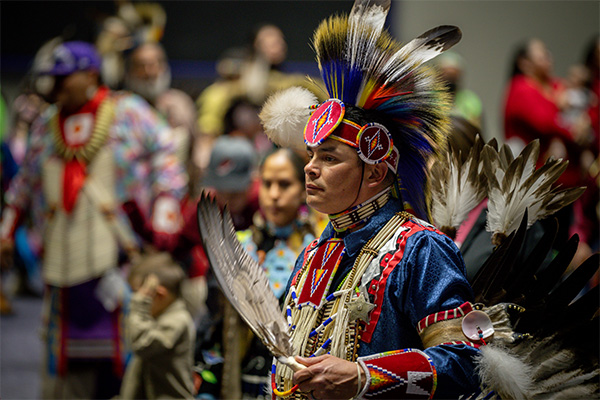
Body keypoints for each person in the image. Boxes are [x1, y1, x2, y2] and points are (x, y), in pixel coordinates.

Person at [259, 4, 480, 399]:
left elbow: (465, 362)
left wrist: (365, 376)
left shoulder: (421, 250)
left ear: (375, 173)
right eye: (310, 155)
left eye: (328, 158)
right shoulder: (315, 253)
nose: (310, 169)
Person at [0, 41, 186, 399]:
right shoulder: (46, 125)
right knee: (64, 367)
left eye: (63, 78)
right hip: (62, 262)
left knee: (128, 353)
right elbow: (23, 184)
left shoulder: (128, 112)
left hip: (121, 258)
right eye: (52, 80)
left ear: (90, 75)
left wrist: (165, 213)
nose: (54, 88)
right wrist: (7, 230)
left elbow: (167, 157)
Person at [218, 149, 317, 399]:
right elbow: (215, 328)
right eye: (267, 184)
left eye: (285, 184)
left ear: (304, 189)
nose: (274, 195)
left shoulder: (316, 253)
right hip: (242, 381)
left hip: (293, 384)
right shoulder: (236, 247)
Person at [119, 252, 196, 400]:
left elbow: (141, 343)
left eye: (138, 293)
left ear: (160, 294)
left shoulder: (177, 321)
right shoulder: (158, 316)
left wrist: (139, 304)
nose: (135, 298)